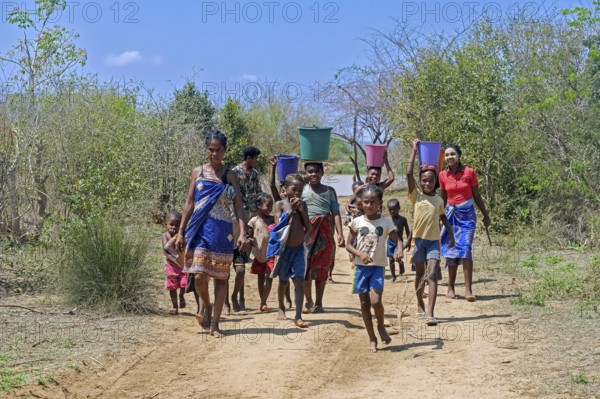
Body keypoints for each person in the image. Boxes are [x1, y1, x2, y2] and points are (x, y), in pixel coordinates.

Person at [176, 131, 251, 338]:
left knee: (220, 278)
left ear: (225, 151)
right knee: (199, 275)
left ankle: (215, 324)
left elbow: (238, 206)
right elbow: (189, 203)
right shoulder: (197, 172)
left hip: (223, 233)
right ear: (206, 150)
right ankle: (206, 306)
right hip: (200, 230)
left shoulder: (230, 176)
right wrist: (181, 231)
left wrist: (243, 232)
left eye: (218, 150)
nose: (214, 153)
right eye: (211, 149)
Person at [346, 185, 402, 353]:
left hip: (377, 267)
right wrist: (359, 254)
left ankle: (381, 326)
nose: (369, 206)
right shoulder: (356, 222)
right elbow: (348, 245)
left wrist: (399, 250)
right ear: (361, 204)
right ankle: (372, 338)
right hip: (361, 268)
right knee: (364, 304)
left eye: (373, 202)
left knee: (376, 302)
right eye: (366, 202)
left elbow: (397, 240)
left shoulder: (386, 222)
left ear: (380, 204)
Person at [407, 138, 455, 326]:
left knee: (432, 274)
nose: (427, 183)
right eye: (424, 180)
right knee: (419, 275)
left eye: (431, 180)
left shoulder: (438, 201)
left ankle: (430, 312)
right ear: (420, 182)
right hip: (419, 241)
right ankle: (419, 303)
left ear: (436, 182)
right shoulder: (416, 196)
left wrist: (450, 234)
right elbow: (409, 172)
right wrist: (414, 150)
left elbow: (443, 218)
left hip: (434, 241)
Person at [439, 144, 490, 302]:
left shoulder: (469, 172)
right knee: (452, 250)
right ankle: (451, 287)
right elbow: (443, 198)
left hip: (467, 216)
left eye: (453, 154)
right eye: (447, 155)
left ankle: (468, 289)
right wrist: (439, 218)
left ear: (459, 155)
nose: (450, 157)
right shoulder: (442, 175)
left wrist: (485, 214)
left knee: (466, 248)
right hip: (450, 216)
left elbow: (476, 195)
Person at [267, 173, 311, 328]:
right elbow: (279, 226)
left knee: (299, 281)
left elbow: (308, 227)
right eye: (295, 189)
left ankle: (298, 316)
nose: (298, 193)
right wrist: (291, 211)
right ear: (285, 189)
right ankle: (281, 307)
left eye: (301, 190)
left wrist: (301, 210)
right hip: (284, 250)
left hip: (299, 249)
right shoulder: (280, 205)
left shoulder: (303, 205)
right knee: (283, 280)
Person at [302, 162, 345, 311]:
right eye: (310, 171)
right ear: (305, 173)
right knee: (305, 268)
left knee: (322, 268)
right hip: (306, 234)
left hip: (325, 234)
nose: (313, 174)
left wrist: (340, 233)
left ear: (322, 173)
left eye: (317, 171)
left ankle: (319, 303)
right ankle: (308, 301)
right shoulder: (302, 189)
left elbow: (336, 213)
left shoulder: (329, 191)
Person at [230, 146, 263, 312]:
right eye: (255, 158)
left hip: (251, 215)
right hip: (236, 216)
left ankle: (240, 297)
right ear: (249, 158)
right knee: (235, 248)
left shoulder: (255, 174)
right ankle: (237, 298)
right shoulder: (234, 172)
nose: (256, 161)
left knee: (244, 253)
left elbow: (258, 193)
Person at [248, 193, 276, 312]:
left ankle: (264, 301)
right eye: (267, 206)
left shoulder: (274, 219)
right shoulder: (254, 221)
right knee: (260, 278)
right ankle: (262, 301)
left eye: (271, 206)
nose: (270, 209)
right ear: (259, 205)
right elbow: (249, 234)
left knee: (269, 276)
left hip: (271, 252)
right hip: (259, 253)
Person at [161, 211, 187, 315]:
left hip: (182, 265)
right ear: (166, 224)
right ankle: (175, 306)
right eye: (171, 224)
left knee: (184, 284)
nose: (173, 227)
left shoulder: (183, 236)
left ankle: (181, 295)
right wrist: (174, 239)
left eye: (177, 225)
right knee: (172, 287)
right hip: (171, 266)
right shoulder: (165, 236)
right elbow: (165, 248)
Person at [386, 199, 412, 281]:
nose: (392, 211)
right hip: (390, 242)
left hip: (399, 242)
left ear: (399, 208)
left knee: (397, 257)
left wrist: (408, 242)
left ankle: (401, 267)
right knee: (391, 259)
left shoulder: (403, 219)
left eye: (394, 209)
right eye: (390, 209)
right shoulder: (387, 220)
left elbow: (408, 231)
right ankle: (393, 276)